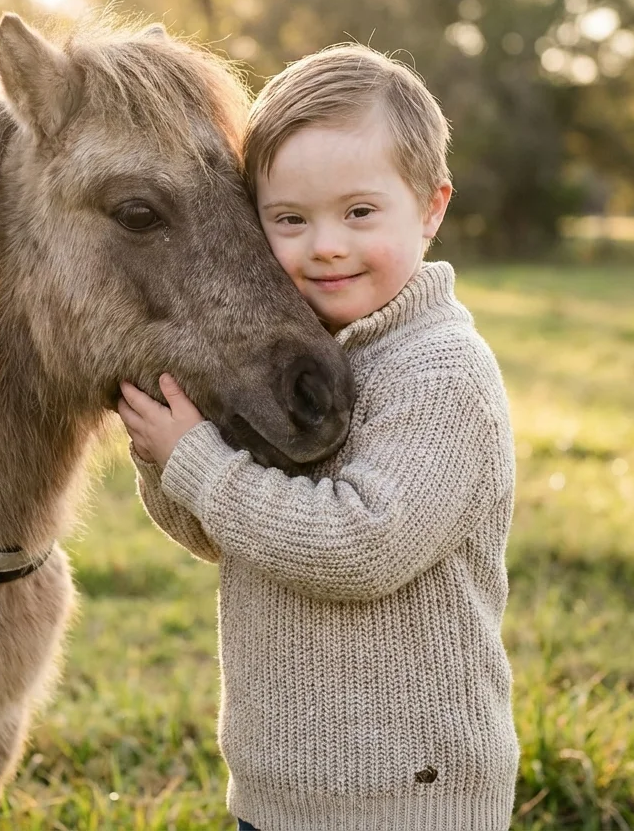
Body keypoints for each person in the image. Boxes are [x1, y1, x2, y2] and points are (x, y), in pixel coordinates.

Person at [117, 44, 519, 831]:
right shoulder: (298, 366)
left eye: (359, 213)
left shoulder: (442, 373)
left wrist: (198, 465)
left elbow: (359, 547)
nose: (325, 245)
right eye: (289, 220)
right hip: (277, 795)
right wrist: (163, 446)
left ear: (431, 207)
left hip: (409, 800)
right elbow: (222, 535)